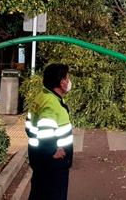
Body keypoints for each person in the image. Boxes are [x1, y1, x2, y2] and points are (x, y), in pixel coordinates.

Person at [25, 63, 73, 200]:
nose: (69, 81)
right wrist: (52, 152)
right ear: (61, 82)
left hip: (39, 159)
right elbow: (45, 131)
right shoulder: (51, 104)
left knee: (38, 194)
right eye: (67, 78)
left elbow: (28, 125)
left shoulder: (42, 96)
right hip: (53, 165)